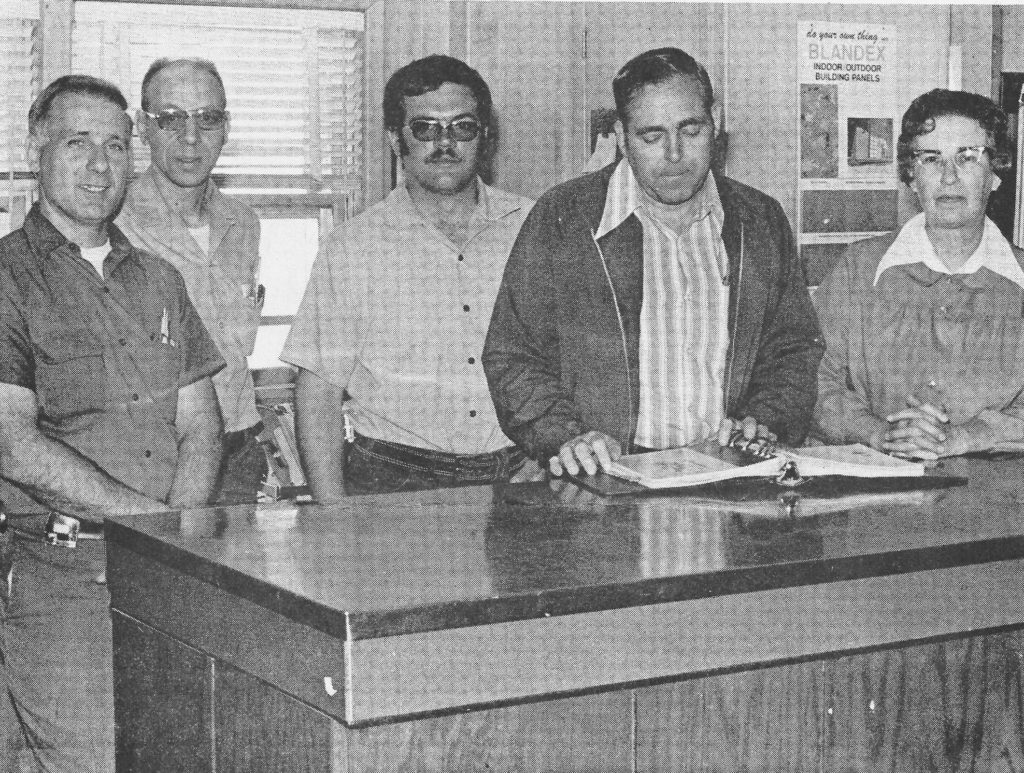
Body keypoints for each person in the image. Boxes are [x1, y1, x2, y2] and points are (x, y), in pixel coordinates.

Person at [0, 75, 224, 772]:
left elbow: (202, 424)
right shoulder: (7, 277)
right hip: (62, 574)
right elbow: (14, 446)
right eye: (78, 143)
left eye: (116, 146)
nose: (100, 166)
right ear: (37, 150)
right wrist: (153, 527)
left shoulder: (159, 277)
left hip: (169, 569)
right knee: (92, 759)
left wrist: (174, 540)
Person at [483, 47, 823, 477]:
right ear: (622, 137)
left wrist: (765, 417)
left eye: (691, 129)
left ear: (715, 123)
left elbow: (792, 347)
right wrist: (564, 435)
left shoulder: (759, 220)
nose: (675, 154)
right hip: (607, 475)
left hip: (726, 471)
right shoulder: (563, 217)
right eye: (651, 136)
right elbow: (513, 354)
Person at [281, 55, 535, 498]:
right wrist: (332, 514)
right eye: (425, 128)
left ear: (486, 137)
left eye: (462, 127)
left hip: (521, 474)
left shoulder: (534, 228)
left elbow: (575, 363)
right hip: (393, 478)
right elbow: (319, 393)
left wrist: (547, 454)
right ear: (396, 139)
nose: (445, 143)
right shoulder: (352, 247)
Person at [814, 89, 1024, 460]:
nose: (948, 177)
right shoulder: (857, 271)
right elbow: (814, 383)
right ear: (911, 176)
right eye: (931, 159)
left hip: (999, 503)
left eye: (968, 157)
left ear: (996, 173)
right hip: (875, 500)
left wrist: (966, 437)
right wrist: (879, 432)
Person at [117, 58, 265, 505]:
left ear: (226, 126)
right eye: (170, 119)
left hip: (239, 454)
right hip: (155, 461)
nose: (190, 137)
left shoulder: (243, 223)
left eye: (207, 118)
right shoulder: (113, 220)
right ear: (142, 128)